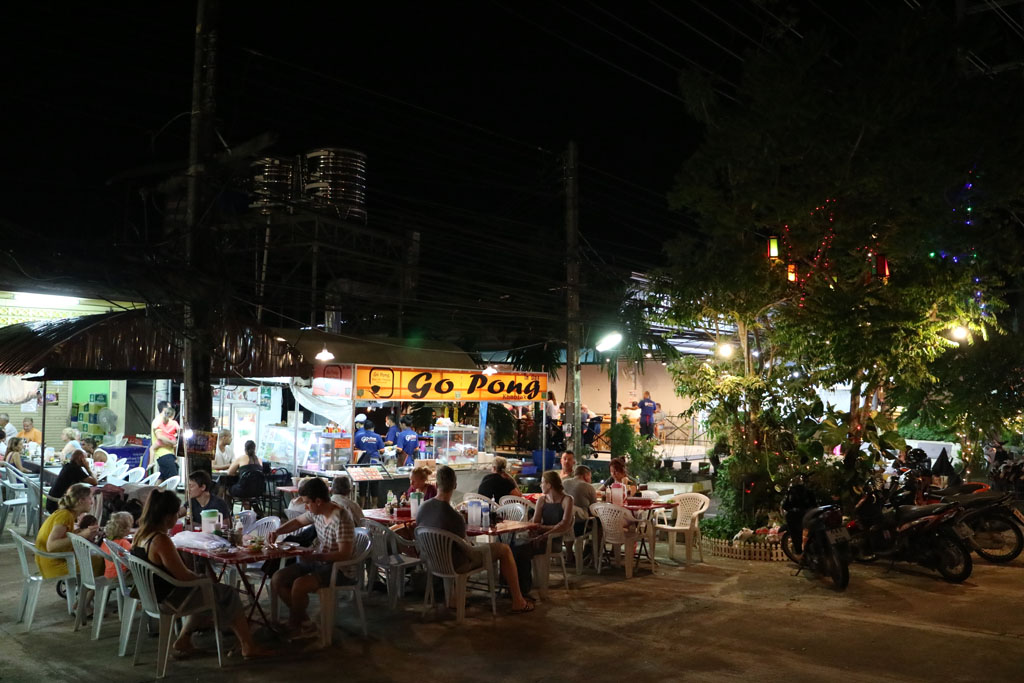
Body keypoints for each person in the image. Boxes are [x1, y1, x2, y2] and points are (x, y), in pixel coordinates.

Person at [132, 489, 269, 659]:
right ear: (168, 517)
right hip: (171, 599)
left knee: (210, 590)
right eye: (176, 514)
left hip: (152, 596)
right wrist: (201, 578)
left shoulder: (141, 535)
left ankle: (184, 639)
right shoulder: (161, 540)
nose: (177, 518)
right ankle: (248, 645)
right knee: (227, 593)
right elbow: (184, 577)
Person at [416, 465, 534, 613]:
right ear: (455, 485)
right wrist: (477, 547)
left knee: (457, 548)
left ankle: (453, 597)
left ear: (436, 484)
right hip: (457, 564)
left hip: (432, 561)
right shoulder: (455, 517)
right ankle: (518, 600)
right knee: (504, 549)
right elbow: (466, 548)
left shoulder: (422, 508)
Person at [269, 477, 355, 639]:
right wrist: (278, 532)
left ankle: (295, 624)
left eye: (308, 503)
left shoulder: (341, 518)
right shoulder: (317, 513)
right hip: (318, 561)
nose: (306, 507)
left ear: (319, 501)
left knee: (299, 585)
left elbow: (345, 554)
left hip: (339, 568)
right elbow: (297, 522)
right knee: (278, 578)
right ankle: (305, 622)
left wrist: (317, 556)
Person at [36, 483, 100, 579]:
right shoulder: (65, 516)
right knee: (100, 560)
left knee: (94, 555)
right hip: (53, 565)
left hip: (48, 560)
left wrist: (80, 532)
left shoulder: (66, 514)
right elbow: (51, 546)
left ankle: (88, 592)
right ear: (80, 501)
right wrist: (82, 535)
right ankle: (93, 592)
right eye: (90, 499)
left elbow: (64, 537)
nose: (92, 502)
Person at [530, 471, 575, 545]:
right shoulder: (541, 500)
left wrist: (544, 532)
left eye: (542, 482)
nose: (540, 485)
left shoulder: (567, 500)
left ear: (549, 485)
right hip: (541, 536)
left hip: (553, 537)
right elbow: (536, 523)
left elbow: (564, 524)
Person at [150, 402, 180, 482]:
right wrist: (173, 442)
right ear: (164, 410)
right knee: (173, 479)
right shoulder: (159, 421)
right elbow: (160, 437)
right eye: (169, 408)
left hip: (166, 453)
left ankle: (154, 494)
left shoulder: (165, 421)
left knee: (161, 480)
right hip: (164, 454)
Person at [563, 465, 597, 534]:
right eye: (590, 476)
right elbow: (594, 509)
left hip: (563, 523)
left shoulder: (564, 483)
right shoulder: (589, 487)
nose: (590, 479)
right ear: (586, 475)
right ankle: (594, 544)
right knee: (600, 521)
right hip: (580, 525)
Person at [103, 511, 134, 580]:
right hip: (120, 576)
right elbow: (132, 559)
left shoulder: (107, 542)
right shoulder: (124, 543)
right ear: (126, 529)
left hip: (108, 575)